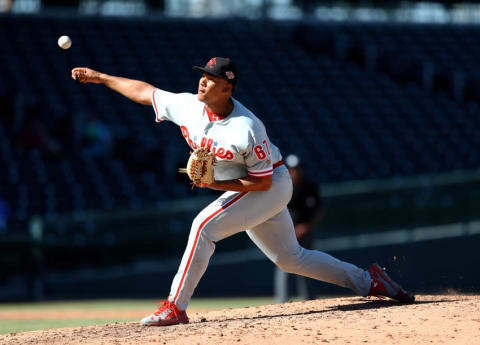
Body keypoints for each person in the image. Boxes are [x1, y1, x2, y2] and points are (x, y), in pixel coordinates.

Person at [71, 57, 414, 326]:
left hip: (271, 185)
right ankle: (368, 281)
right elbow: (145, 92)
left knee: (203, 227)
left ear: (228, 89)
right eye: (203, 74)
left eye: (212, 78)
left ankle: (175, 306)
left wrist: (212, 183)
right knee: (290, 258)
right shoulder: (189, 105)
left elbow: (262, 182)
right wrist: (101, 78)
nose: (203, 80)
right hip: (251, 189)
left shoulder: (247, 127)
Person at [275, 154, 323, 303]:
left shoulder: (310, 187)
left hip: (305, 232)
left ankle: (309, 298)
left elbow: (318, 210)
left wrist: (307, 226)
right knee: (284, 264)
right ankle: (282, 301)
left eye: (297, 169)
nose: (295, 172)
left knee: (307, 264)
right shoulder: (283, 187)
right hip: (286, 232)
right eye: (292, 169)